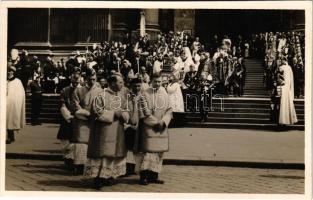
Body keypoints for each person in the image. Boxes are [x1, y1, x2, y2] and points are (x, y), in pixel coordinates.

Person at [85, 73, 130, 188]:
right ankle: (97, 178)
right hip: (103, 131)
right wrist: (114, 113)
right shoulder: (101, 95)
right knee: (102, 154)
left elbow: (126, 110)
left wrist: (124, 115)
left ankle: (106, 176)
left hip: (117, 131)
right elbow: (96, 112)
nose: (122, 84)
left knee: (112, 154)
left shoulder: (121, 96)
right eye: (120, 82)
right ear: (113, 83)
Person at [134, 73, 173, 185]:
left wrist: (164, 121)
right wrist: (156, 122)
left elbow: (169, 110)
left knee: (158, 153)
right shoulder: (144, 94)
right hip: (149, 127)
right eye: (155, 81)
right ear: (151, 81)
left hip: (161, 127)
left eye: (160, 81)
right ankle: (144, 176)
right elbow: (144, 113)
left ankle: (154, 176)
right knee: (147, 153)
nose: (158, 83)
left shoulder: (165, 94)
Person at [72, 69, 102, 175]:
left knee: (93, 143)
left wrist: (96, 114)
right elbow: (75, 104)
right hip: (82, 120)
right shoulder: (79, 90)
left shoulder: (99, 91)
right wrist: (85, 113)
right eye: (90, 79)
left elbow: (101, 104)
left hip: (95, 120)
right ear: (85, 79)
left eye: (94, 79)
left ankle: (91, 167)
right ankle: (79, 166)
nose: (92, 81)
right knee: (81, 143)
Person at [57, 73, 81, 171]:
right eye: (74, 81)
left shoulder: (83, 90)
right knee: (65, 139)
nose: (75, 83)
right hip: (67, 117)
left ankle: (76, 161)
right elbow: (62, 104)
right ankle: (68, 160)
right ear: (71, 80)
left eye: (77, 81)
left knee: (77, 140)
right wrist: (68, 116)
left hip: (79, 118)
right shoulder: (65, 90)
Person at [6, 65, 26, 144]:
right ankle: (10, 137)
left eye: (10, 71)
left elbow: (21, 93)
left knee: (10, 120)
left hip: (13, 104)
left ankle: (10, 137)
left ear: (13, 72)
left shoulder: (17, 81)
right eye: (8, 71)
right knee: (6, 121)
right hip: (5, 103)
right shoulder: (5, 81)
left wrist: (14, 100)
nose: (8, 72)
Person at [278, 57, 298, 126]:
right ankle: (284, 120)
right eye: (281, 60)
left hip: (286, 87)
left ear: (285, 60)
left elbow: (290, 79)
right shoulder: (284, 67)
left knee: (286, 102)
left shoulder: (287, 68)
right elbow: (279, 77)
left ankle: (287, 120)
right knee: (284, 103)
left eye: (283, 60)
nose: (281, 61)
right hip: (284, 87)